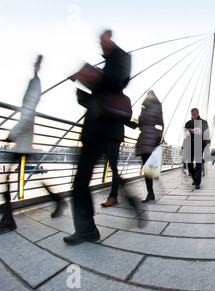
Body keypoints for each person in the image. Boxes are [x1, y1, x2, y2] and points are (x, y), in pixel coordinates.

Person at [64, 30, 132, 245]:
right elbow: (103, 98)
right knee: (88, 178)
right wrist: (83, 96)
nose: (101, 45)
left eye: (104, 42)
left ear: (110, 40)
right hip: (100, 131)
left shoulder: (120, 59)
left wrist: (87, 75)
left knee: (81, 181)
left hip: (100, 131)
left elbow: (115, 83)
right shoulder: (111, 65)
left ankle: (87, 230)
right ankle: (124, 194)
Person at [0, 56, 66, 235]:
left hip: (23, 139)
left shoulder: (35, 84)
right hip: (25, 139)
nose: (34, 65)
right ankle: (57, 199)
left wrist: (12, 134)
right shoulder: (34, 81)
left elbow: (28, 113)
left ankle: (8, 221)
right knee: (20, 177)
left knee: (7, 179)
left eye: (37, 63)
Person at [134, 91, 164, 203]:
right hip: (144, 139)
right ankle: (150, 193)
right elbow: (141, 123)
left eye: (149, 94)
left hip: (151, 140)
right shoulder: (144, 107)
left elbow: (161, 123)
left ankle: (151, 192)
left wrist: (158, 138)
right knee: (146, 168)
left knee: (148, 167)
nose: (148, 96)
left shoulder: (157, 106)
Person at [184, 108, 210, 189]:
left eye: (194, 114)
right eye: (192, 115)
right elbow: (184, 134)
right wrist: (187, 133)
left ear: (198, 113)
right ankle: (194, 178)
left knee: (198, 163)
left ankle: (197, 182)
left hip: (199, 146)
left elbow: (207, 134)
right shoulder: (188, 123)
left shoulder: (204, 123)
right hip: (189, 145)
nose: (193, 116)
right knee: (190, 164)